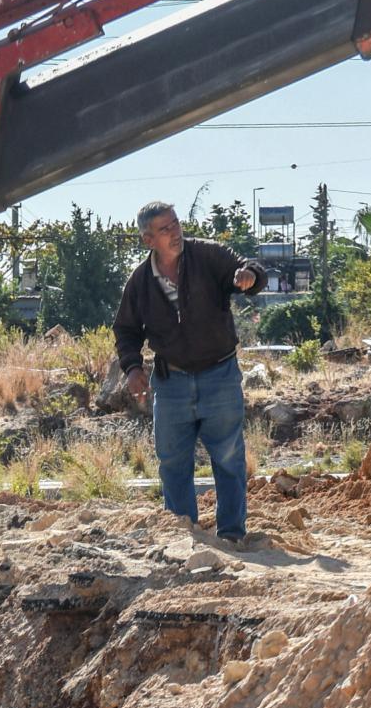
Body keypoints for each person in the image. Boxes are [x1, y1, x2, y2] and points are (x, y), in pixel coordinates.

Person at [113, 203, 265, 546]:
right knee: (172, 463)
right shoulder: (140, 282)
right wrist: (133, 367)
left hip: (220, 375)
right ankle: (183, 536)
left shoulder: (208, 256)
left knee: (228, 458)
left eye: (176, 224)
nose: (176, 232)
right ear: (148, 239)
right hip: (171, 383)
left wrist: (250, 278)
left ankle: (231, 535)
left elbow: (247, 269)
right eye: (165, 229)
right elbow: (126, 329)